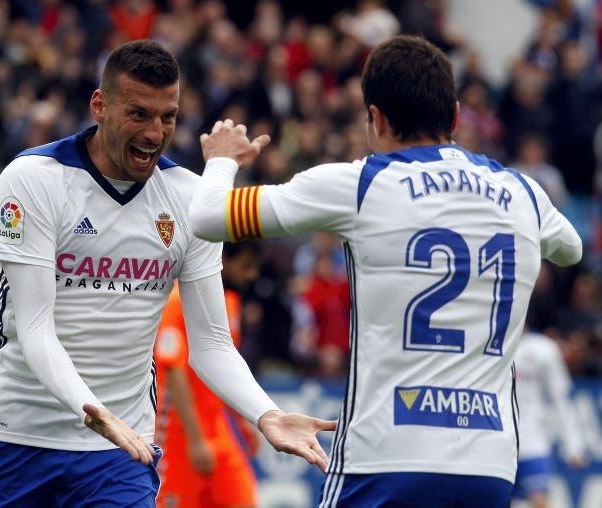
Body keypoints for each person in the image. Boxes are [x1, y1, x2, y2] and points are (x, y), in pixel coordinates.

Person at [188, 35, 583, 507]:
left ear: (374, 117)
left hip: (386, 458)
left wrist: (221, 162)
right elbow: (571, 249)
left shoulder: (360, 183)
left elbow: (208, 218)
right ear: (455, 115)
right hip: (489, 465)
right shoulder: (523, 191)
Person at [0, 40, 335, 507]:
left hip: (118, 450)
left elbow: (212, 345)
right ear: (100, 106)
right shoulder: (34, 179)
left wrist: (266, 413)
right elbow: (34, 329)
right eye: (139, 114)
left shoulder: (189, 199)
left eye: (168, 117)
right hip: (12, 433)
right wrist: (93, 411)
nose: (155, 133)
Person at [155, 241, 263, 508]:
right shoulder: (178, 302)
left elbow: (226, 372)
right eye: (246, 266)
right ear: (223, 258)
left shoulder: (231, 303)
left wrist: (245, 420)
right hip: (178, 438)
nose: (252, 275)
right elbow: (173, 369)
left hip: (218, 432)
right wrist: (195, 440)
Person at [512, 325, 586, 508]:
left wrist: (573, 445)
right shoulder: (487, 342)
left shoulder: (543, 349)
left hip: (532, 442)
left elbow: (561, 397)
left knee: (540, 502)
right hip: (496, 443)